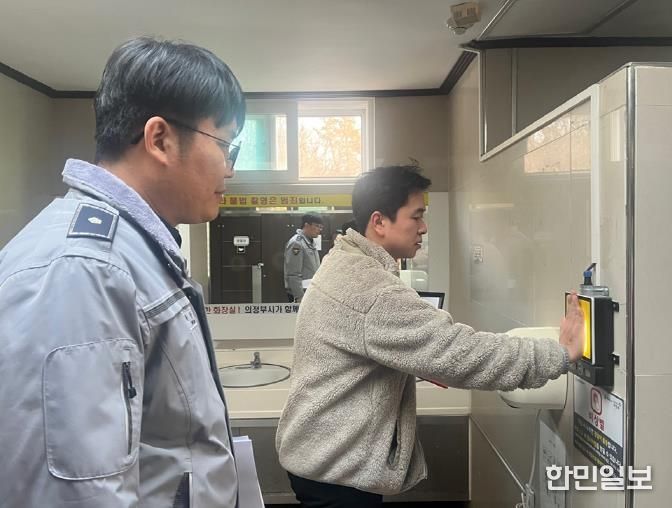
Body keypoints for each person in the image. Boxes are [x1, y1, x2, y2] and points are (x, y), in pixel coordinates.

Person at [0, 37, 245, 507]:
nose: (229, 169)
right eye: (225, 145)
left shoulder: (131, 251)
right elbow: (75, 494)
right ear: (160, 139)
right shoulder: (83, 270)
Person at [276, 164, 585, 508]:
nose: (423, 227)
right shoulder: (371, 288)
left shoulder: (343, 261)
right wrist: (559, 353)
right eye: (416, 216)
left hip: (321, 461)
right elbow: (460, 353)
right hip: (336, 477)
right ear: (379, 222)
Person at [284, 213, 323, 302]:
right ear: (306, 225)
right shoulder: (297, 243)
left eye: (321, 227)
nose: (319, 229)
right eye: (317, 226)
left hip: (310, 291)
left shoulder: (310, 242)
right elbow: (293, 273)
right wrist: (299, 296)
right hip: (301, 293)